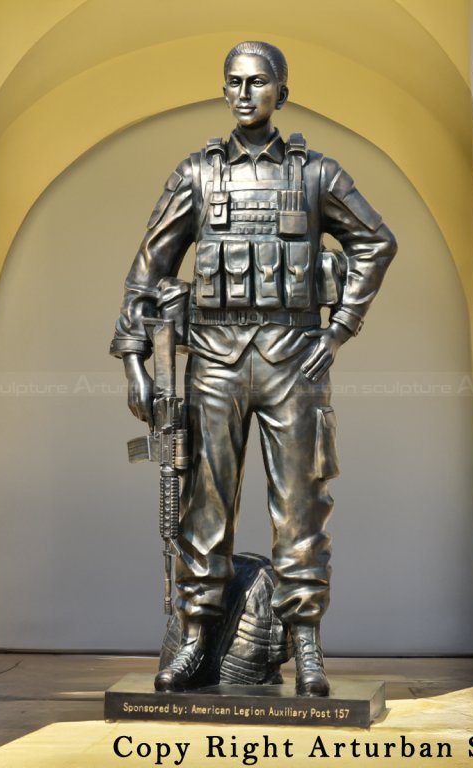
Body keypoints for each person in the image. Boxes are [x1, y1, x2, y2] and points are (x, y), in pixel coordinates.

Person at [111, 41, 397, 696]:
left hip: (293, 356)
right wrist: (134, 363)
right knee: (204, 504)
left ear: (282, 93)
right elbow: (147, 270)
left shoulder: (316, 174)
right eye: (233, 82)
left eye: (258, 82)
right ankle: (195, 635)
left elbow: (376, 242)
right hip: (212, 357)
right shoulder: (197, 176)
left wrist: (343, 324)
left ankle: (306, 645)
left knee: (301, 502)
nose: (243, 93)